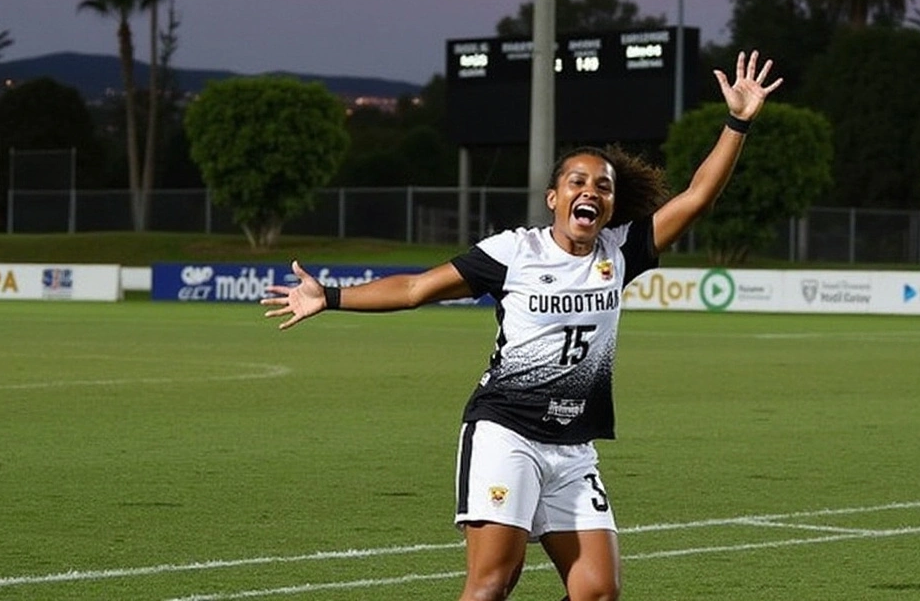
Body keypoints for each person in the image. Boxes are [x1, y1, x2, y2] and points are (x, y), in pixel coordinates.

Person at [262, 50, 782, 601]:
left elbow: (698, 196)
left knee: (598, 593)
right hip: (506, 432)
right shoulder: (515, 252)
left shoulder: (622, 250)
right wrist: (332, 297)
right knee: (492, 583)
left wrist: (738, 121)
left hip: (574, 447)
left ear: (610, 205)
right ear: (554, 198)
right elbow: (417, 288)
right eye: (577, 182)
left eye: (602, 186)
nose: (591, 191)